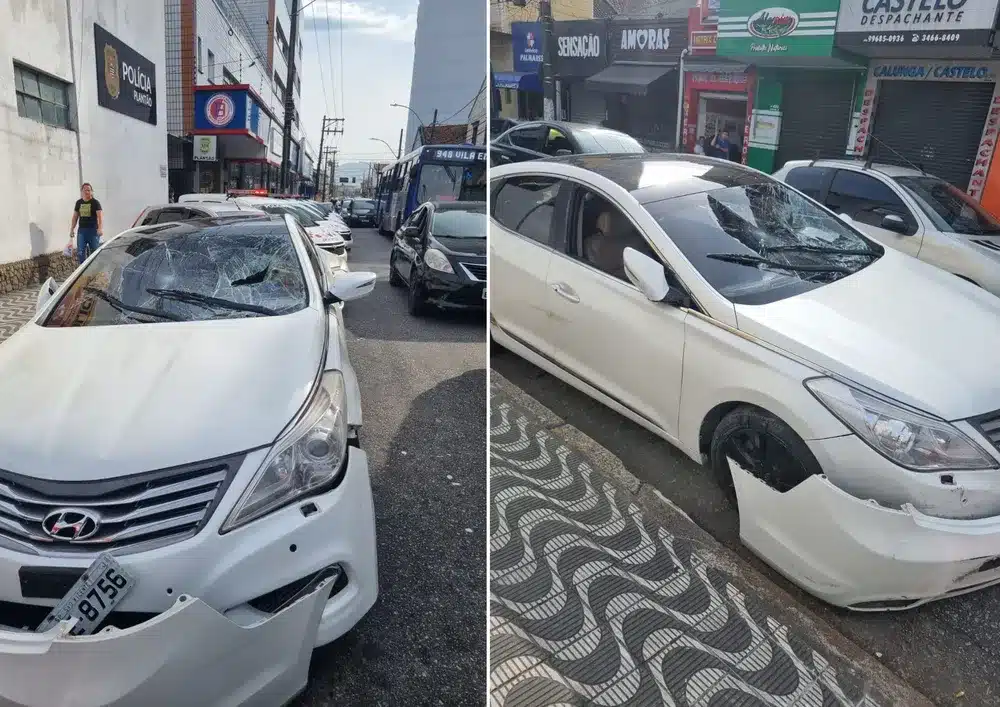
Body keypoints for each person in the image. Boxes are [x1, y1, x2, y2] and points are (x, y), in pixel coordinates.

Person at [70, 183, 103, 264]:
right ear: (81, 191)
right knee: (80, 252)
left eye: (88, 190)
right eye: (85, 190)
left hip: (93, 231)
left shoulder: (95, 203)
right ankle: (83, 273)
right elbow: (75, 217)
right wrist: (72, 229)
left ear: (91, 192)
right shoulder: (79, 203)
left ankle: (94, 272)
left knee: (94, 253)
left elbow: (100, 217)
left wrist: (100, 228)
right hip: (82, 231)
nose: (86, 192)